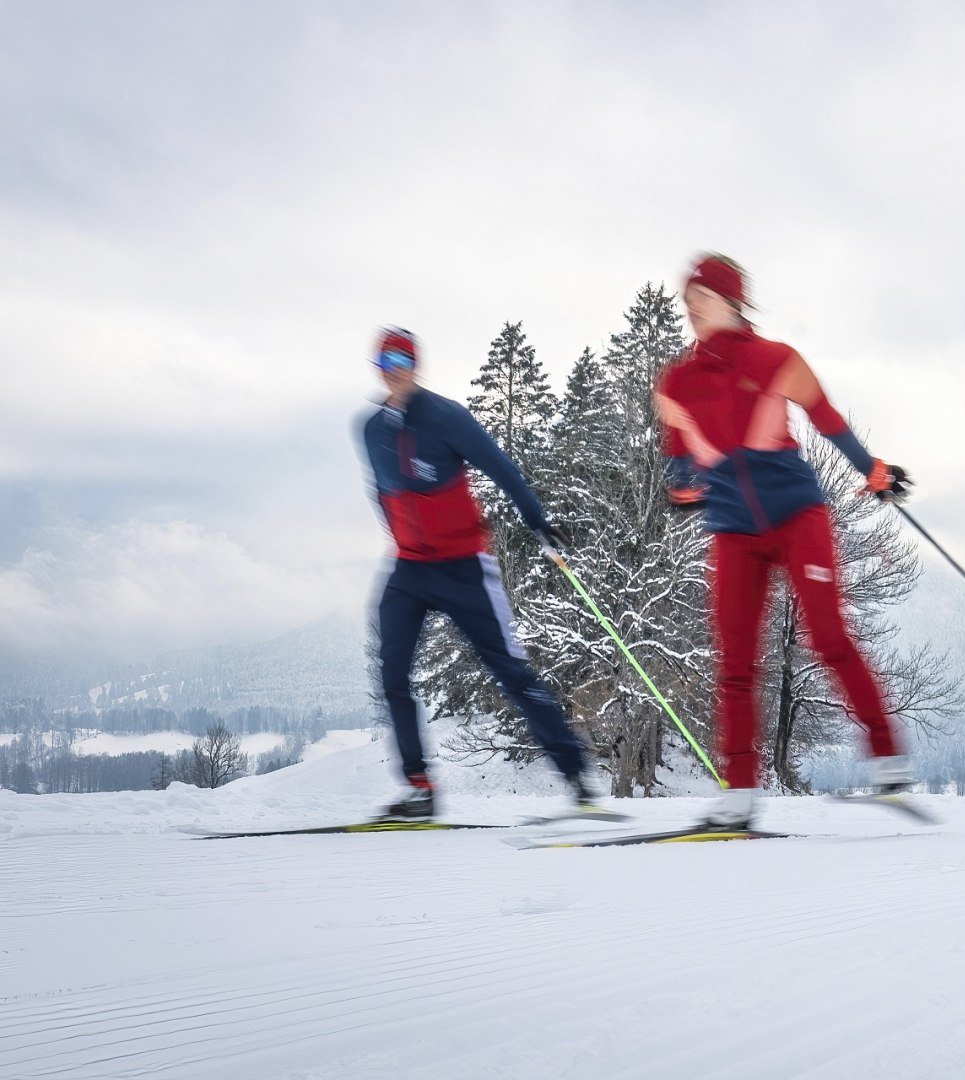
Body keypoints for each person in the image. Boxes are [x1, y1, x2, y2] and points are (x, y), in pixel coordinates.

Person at [657, 254, 915, 829]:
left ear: (733, 300)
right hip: (732, 532)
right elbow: (678, 463)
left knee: (829, 635)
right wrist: (684, 488)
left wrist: (873, 471)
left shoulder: (776, 360)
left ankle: (888, 761)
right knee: (736, 661)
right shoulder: (676, 382)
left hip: (799, 517)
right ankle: (740, 794)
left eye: (703, 295)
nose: (692, 306)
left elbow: (826, 420)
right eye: (688, 298)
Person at [357, 326, 601, 820]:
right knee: (392, 671)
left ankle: (576, 778)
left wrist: (538, 523)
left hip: (464, 567)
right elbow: (380, 493)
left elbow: (502, 469)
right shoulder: (371, 430)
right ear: (378, 371)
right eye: (388, 366)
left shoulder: (445, 417)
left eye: (405, 364)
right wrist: (404, 540)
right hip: (409, 567)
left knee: (509, 669)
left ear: (416, 367)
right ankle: (420, 789)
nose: (397, 374)